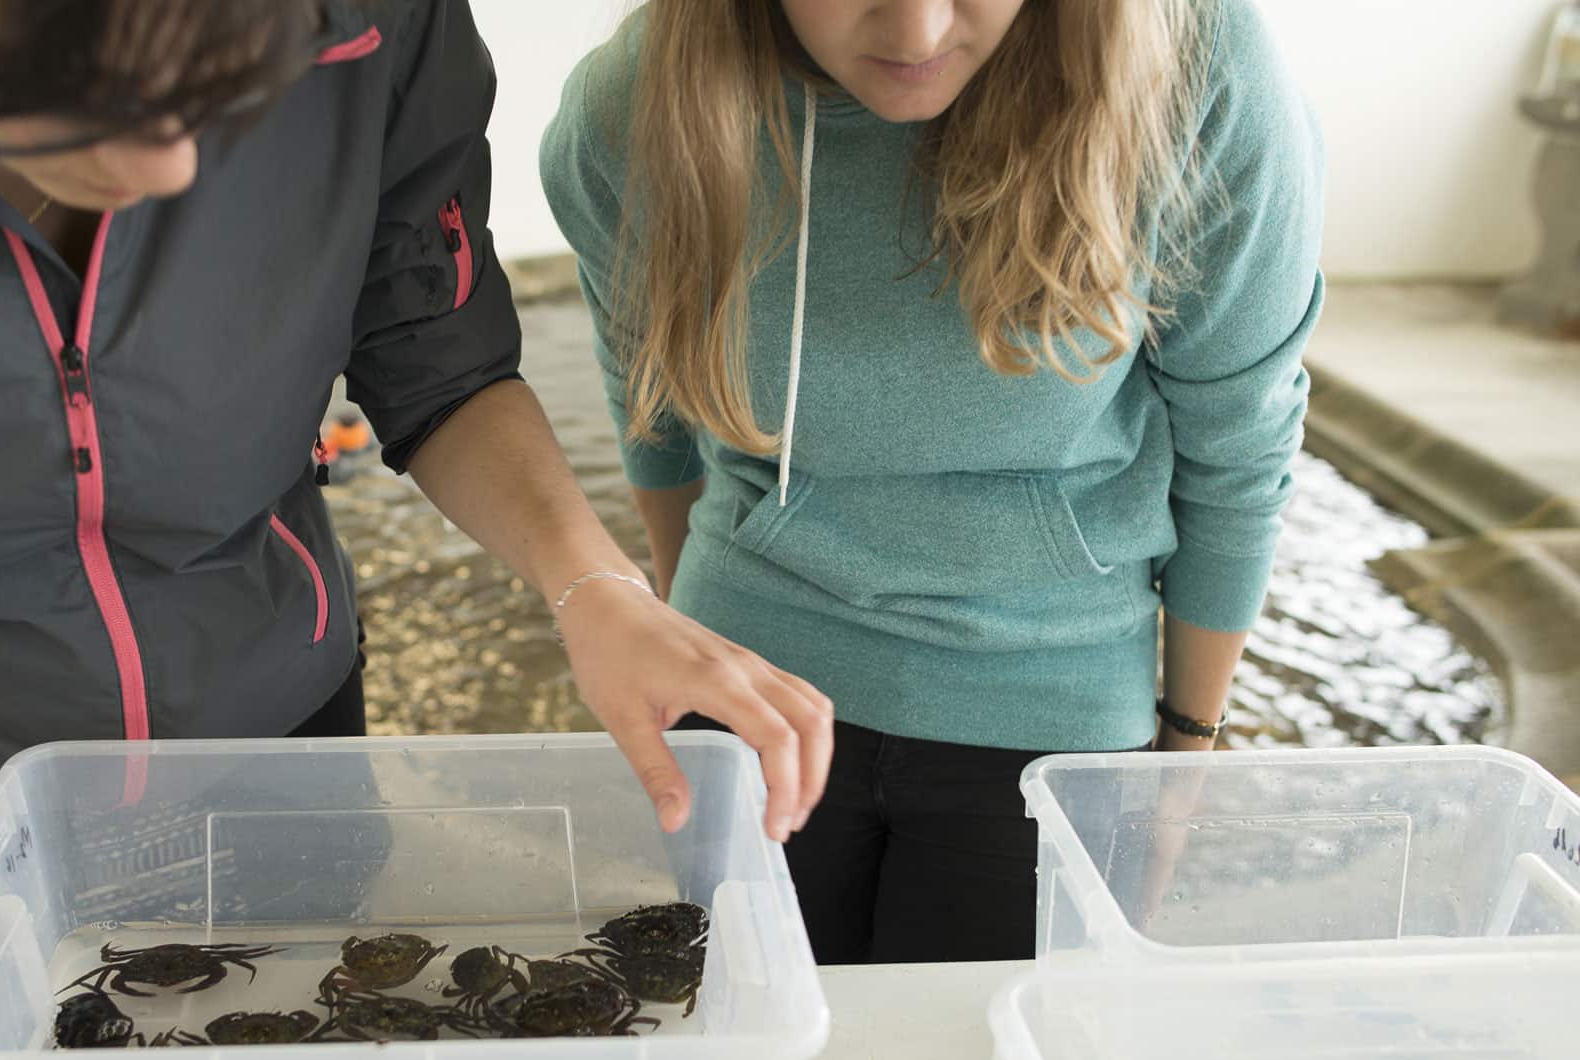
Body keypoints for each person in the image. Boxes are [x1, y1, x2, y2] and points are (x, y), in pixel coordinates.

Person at [0, 0, 834, 1022]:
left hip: (274, 725)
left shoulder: (382, 20)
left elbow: (437, 356)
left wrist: (595, 585)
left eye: (242, 82)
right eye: (106, 88)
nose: (178, 167)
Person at [541, 0, 1323, 963]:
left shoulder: (1198, 60)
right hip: (752, 691)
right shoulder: (628, 107)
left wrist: (1184, 761)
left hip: (1055, 717)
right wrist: (680, 643)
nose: (915, 33)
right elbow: (649, 405)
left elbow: (1240, 442)